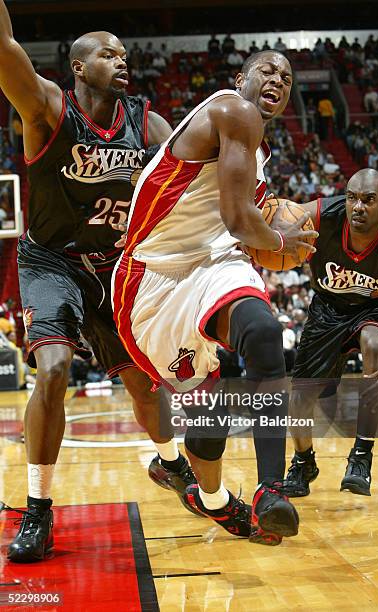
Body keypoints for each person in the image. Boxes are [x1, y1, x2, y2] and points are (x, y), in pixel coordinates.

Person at [0, 0, 196, 563]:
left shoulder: (150, 124)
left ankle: (171, 462)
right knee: (55, 367)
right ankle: (39, 510)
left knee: (142, 384)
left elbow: (190, 185)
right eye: (108, 54)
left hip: (113, 266)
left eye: (125, 54)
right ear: (79, 67)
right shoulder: (46, 107)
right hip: (51, 259)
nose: (122, 60)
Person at [113, 50, 318, 545]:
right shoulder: (233, 111)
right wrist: (282, 244)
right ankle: (209, 496)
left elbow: (238, 226)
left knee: (266, 334)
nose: (278, 80)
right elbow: (238, 220)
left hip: (214, 262)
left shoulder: (257, 150)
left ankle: (272, 490)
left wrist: (278, 229)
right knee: (214, 401)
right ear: (240, 78)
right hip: (154, 278)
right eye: (267, 70)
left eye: (287, 77)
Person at [282, 169, 378, 497]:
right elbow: (275, 211)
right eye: (352, 197)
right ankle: (303, 460)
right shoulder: (324, 214)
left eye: (368, 200)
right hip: (328, 306)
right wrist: (270, 236)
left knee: (374, 341)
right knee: (300, 397)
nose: (358, 206)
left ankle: (362, 456)